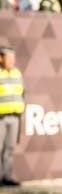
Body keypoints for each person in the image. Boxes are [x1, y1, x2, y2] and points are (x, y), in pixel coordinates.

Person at [0, 46, 24, 186]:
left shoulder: (16, 74)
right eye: (9, 58)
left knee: (9, 148)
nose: (12, 61)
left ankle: (7, 177)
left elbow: (23, 93)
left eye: (13, 58)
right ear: (1, 58)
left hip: (14, 116)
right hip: (0, 118)